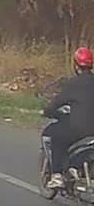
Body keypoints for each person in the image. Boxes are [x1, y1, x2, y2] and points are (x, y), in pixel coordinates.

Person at [42, 47, 94, 188]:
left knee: (57, 137)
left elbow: (57, 102)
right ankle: (74, 167)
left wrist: (47, 111)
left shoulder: (73, 83)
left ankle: (57, 175)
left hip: (79, 129)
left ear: (76, 65)